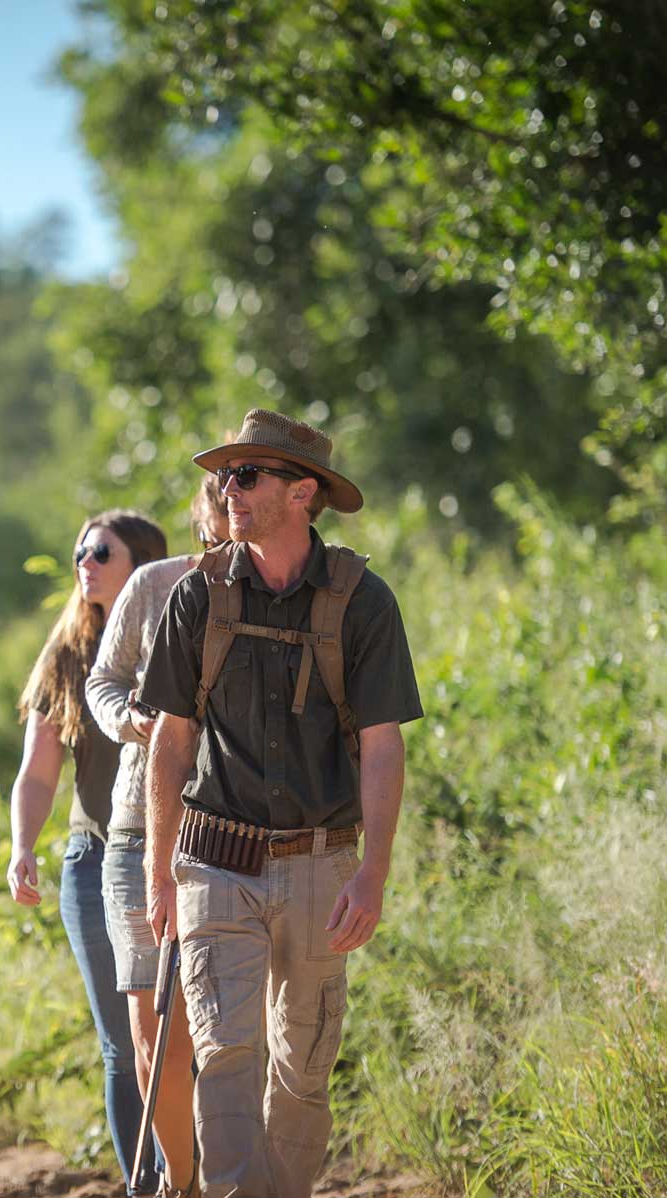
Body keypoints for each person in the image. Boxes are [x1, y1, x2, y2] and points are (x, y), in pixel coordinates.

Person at [139, 410, 422, 1198]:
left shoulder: (363, 603)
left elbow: (383, 745)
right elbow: (169, 742)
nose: (228, 490)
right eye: (225, 476)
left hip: (319, 865)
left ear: (303, 493)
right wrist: (160, 871)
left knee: (303, 1069)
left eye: (248, 475)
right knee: (226, 1055)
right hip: (213, 865)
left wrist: (373, 872)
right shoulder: (198, 595)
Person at [6, 509, 168, 1193]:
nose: (86, 562)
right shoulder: (67, 653)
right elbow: (39, 772)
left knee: (179, 1041)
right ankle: (144, 1183)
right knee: (121, 1041)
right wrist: (22, 846)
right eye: (80, 550)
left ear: (146, 565)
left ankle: (183, 1177)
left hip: (181, 857)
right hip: (93, 860)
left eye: (102, 551)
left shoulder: (179, 634)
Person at [85, 473, 228, 1196]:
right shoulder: (155, 584)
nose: (233, 498)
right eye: (222, 486)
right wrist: (132, 723)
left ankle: (227, 1173)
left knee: (226, 1038)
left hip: (238, 836)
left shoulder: (295, 596)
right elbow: (103, 681)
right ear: (206, 507)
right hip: (139, 831)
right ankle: (181, 1181)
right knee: (154, 1037)